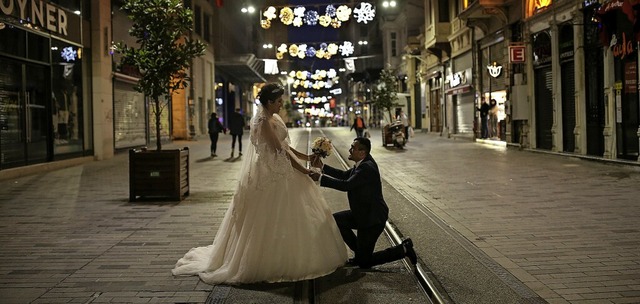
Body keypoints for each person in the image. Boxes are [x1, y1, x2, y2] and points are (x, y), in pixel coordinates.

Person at [172, 83, 347, 284]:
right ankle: (272, 261)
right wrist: (303, 169)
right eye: (279, 101)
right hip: (272, 173)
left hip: (280, 169)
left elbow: (285, 146)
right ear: (269, 102)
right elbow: (279, 152)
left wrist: (306, 157)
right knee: (272, 216)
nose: (282, 104)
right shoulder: (263, 121)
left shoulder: (274, 118)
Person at [309, 137, 417, 269]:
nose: (350, 149)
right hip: (362, 214)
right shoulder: (363, 163)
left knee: (364, 263)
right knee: (336, 220)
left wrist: (320, 178)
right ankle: (360, 253)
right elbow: (344, 175)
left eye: (353, 147)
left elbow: (346, 185)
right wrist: (323, 167)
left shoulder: (367, 168)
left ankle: (403, 249)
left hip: (372, 219)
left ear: (362, 152)